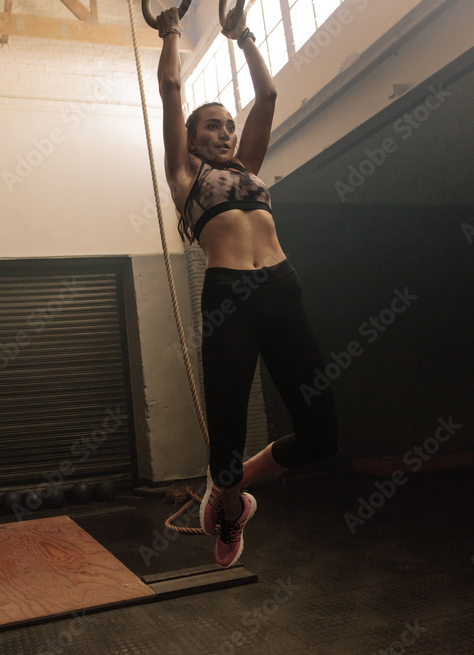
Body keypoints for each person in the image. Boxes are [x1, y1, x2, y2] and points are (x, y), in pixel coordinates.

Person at [155, 7, 339, 568]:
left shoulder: (249, 168)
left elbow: (268, 97)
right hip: (229, 296)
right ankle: (231, 504)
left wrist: (245, 37)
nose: (226, 132)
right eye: (213, 125)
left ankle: (227, 490)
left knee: (321, 434)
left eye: (228, 126)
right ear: (191, 140)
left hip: (283, 288)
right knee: (227, 440)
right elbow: (169, 88)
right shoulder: (187, 177)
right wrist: (168, 31)